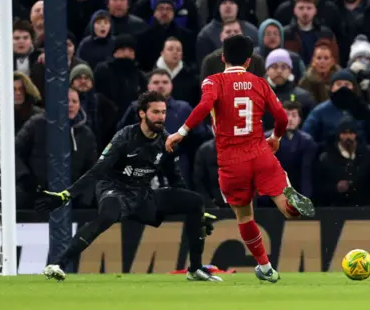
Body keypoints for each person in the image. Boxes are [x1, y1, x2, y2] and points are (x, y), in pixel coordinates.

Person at [165, 35, 315, 283]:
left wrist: (180, 133)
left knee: (245, 216)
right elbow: (281, 116)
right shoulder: (259, 82)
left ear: (223, 57)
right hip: (260, 153)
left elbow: (204, 107)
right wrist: (276, 137)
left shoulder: (213, 82)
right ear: (248, 61)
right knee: (287, 209)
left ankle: (266, 267)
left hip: (231, 162)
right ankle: (290, 200)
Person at [35, 91, 221, 283]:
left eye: (163, 112)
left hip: (142, 195)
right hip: (114, 189)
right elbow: (98, 170)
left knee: (195, 201)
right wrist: (66, 195)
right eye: (155, 112)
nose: (161, 117)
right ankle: (58, 264)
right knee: (107, 216)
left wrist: (198, 213)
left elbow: (176, 180)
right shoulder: (125, 137)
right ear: (142, 113)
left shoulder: (165, 142)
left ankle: (195, 269)